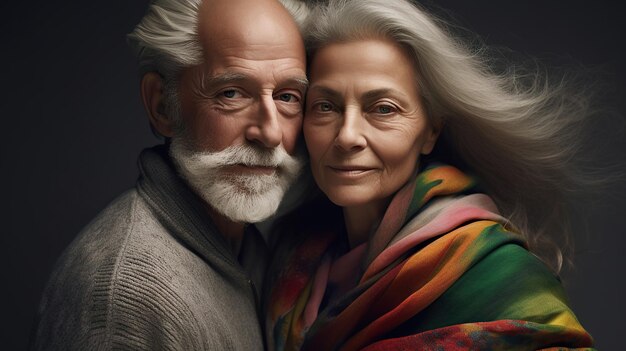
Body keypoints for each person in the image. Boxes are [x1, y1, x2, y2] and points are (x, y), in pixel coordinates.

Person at [264, 0, 596, 350]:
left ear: (430, 130)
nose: (347, 136)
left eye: (383, 109)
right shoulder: (289, 258)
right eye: (325, 107)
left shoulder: (497, 271)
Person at [30, 0, 309, 349]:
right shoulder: (127, 300)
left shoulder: (251, 251)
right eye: (232, 93)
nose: (270, 133)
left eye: (287, 96)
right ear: (162, 105)